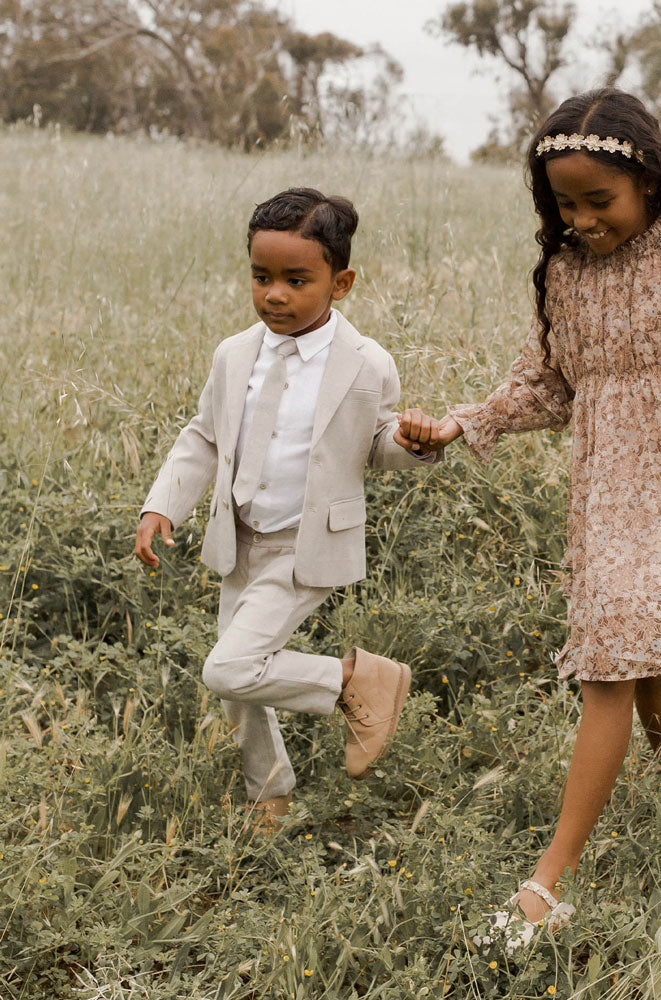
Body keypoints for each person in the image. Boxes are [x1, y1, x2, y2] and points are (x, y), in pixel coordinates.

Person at [396, 88, 661, 938]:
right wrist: (463, 423)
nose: (585, 219)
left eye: (601, 201)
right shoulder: (563, 273)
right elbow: (546, 383)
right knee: (643, 658)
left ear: (649, 184)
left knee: (610, 663)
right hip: (604, 493)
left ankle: (545, 886)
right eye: (566, 203)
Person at [135, 188, 441, 827]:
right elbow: (205, 436)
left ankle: (358, 680)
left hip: (303, 545)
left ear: (342, 282)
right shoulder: (234, 353)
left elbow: (378, 445)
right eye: (261, 276)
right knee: (244, 689)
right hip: (239, 536)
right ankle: (268, 798)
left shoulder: (365, 364)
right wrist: (162, 506)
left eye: (296, 280)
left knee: (231, 668)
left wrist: (414, 443)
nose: (274, 294)